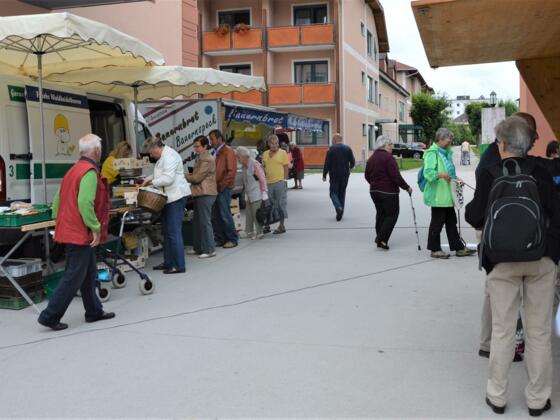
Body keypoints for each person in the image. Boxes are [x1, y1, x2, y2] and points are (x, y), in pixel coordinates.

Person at [465, 116, 560, 416]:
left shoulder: (490, 173)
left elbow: (474, 216)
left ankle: (497, 395)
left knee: (503, 330)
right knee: (539, 332)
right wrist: (552, 254)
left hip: (501, 262)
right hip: (541, 259)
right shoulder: (542, 172)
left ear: (503, 144)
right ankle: (538, 399)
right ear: (528, 144)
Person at [38, 134, 114, 331]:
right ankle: (49, 316)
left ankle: (94, 311)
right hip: (80, 231)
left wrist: (61, 221)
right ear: (96, 151)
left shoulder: (72, 170)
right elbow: (84, 202)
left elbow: (57, 203)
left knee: (88, 272)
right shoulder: (89, 172)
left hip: (71, 229)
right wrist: (95, 227)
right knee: (74, 276)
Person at [423, 128, 475, 259]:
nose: (450, 142)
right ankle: (434, 249)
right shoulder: (432, 153)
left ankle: (458, 248)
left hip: (448, 194)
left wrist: (457, 179)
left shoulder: (446, 153)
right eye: (448, 140)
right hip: (438, 195)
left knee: (452, 222)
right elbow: (428, 173)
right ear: (440, 139)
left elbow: (450, 173)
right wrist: (441, 175)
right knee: (437, 223)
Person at [141, 138, 189, 274]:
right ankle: (168, 262)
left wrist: (152, 183)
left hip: (176, 197)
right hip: (168, 198)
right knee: (167, 232)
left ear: (156, 147)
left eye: (151, 152)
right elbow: (159, 173)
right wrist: (147, 179)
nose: (150, 155)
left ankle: (179, 265)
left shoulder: (169, 156)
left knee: (174, 232)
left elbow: (168, 178)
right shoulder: (163, 157)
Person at [365, 135, 412, 250]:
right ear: (384, 145)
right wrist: (406, 187)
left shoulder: (371, 158)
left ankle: (381, 240)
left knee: (381, 214)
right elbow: (396, 176)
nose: (391, 147)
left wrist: (374, 183)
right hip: (388, 192)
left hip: (374, 191)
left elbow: (367, 175)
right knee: (392, 215)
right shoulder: (388, 158)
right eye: (390, 144)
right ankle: (381, 238)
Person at [186, 135, 217, 259]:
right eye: (194, 146)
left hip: (206, 193)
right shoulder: (200, 158)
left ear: (205, 146)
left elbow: (197, 178)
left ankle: (209, 250)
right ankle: (199, 248)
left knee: (204, 222)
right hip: (201, 193)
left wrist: (182, 175)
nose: (196, 149)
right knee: (198, 222)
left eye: (198, 146)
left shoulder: (206, 159)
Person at [209, 129, 239, 248]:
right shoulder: (215, 152)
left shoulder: (228, 151)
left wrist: (222, 186)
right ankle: (220, 238)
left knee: (225, 214)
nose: (210, 142)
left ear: (219, 139)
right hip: (216, 188)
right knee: (216, 215)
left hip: (223, 188)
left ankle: (232, 239)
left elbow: (231, 172)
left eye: (212, 139)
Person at [236, 146, 268, 239]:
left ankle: (259, 232)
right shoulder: (244, 166)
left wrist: (264, 192)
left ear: (242, 156)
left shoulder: (254, 164)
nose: (237, 159)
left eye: (238, 157)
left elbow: (262, 178)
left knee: (256, 213)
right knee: (249, 213)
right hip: (249, 193)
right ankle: (249, 232)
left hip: (257, 192)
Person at [322, 133, 355, 221]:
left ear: (335, 140)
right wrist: (350, 168)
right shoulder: (348, 148)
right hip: (345, 175)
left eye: (332, 140)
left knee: (333, 193)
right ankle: (340, 212)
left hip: (334, 175)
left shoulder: (331, 149)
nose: (332, 141)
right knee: (342, 193)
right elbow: (353, 161)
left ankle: (338, 207)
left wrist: (324, 174)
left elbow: (327, 163)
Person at [262, 135, 289, 234]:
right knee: (268, 205)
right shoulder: (265, 154)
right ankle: (267, 225)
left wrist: (285, 181)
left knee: (280, 204)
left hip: (279, 182)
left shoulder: (283, 153)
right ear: (268, 144)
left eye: (276, 143)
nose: (274, 145)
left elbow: (286, 167)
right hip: (268, 183)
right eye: (272, 143)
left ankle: (281, 226)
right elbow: (263, 168)